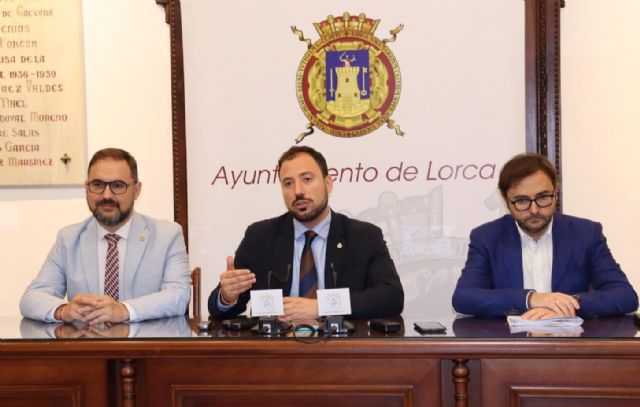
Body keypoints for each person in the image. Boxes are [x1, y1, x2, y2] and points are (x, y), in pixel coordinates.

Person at [208, 146, 404, 321]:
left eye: (307, 179)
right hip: (277, 348)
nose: (298, 191)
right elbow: (218, 307)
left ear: (328, 184)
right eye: (288, 183)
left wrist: (321, 307)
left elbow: (392, 297)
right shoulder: (259, 237)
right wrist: (227, 296)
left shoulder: (364, 236)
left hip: (341, 347)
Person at [452, 153, 638, 320]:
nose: (534, 210)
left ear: (556, 191)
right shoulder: (487, 237)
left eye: (542, 197)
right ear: (505, 199)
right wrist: (531, 299)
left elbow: (625, 295)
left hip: (571, 343)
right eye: (522, 201)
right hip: (511, 343)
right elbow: (464, 298)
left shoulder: (586, 233)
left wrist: (566, 304)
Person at [20, 148, 191, 324]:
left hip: (147, 341)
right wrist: (64, 310)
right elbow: (31, 298)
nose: (107, 195)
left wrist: (124, 310)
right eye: (97, 185)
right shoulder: (68, 239)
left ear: (136, 190)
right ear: (86, 188)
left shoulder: (167, 235)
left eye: (118, 186)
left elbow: (179, 296)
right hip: (88, 340)